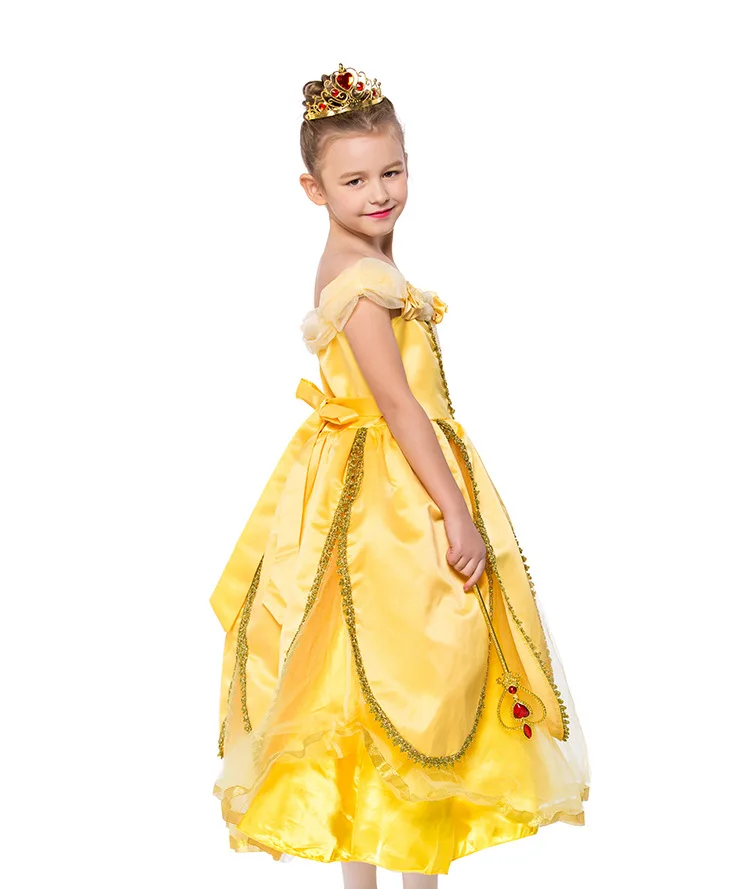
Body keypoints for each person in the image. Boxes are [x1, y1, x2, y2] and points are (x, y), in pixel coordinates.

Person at [210, 62, 590, 887]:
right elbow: (398, 404)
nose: (379, 193)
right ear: (313, 189)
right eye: (354, 181)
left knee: (374, 682)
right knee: (413, 674)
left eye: (392, 172)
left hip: (376, 485)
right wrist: (456, 511)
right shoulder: (359, 283)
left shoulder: (362, 262)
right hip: (393, 502)